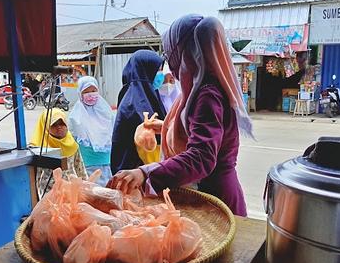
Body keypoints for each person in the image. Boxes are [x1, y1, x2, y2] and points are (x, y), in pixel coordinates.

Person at [108, 15, 253, 217]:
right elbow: (194, 128)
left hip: (213, 198)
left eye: (170, 54)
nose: (170, 63)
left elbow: (201, 157)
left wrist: (145, 172)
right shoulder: (198, 87)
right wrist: (165, 125)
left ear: (184, 53)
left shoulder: (207, 94)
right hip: (207, 193)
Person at [111, 50, 166, 174]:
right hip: (136, 176)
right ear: (146, 71)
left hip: (145, 173)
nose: (161, 75)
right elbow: (148, 145)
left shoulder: (148, 95)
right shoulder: (136, 103)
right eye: (157, 70)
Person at [30, 108, 87, 199]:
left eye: (61, 123)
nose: (59, 127)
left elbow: (80, 169)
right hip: (50, 195)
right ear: (46, 126)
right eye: (54, 124)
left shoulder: (72, 145)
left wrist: (86, 189)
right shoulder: (38, 148)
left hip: (72, 192)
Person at [69, 76, 114, 186]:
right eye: (86, 91)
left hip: (108, 162)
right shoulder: (75, 117)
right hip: (88, 164)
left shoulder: (106, 112)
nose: (91, 94)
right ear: (80, 93)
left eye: (93, 91)